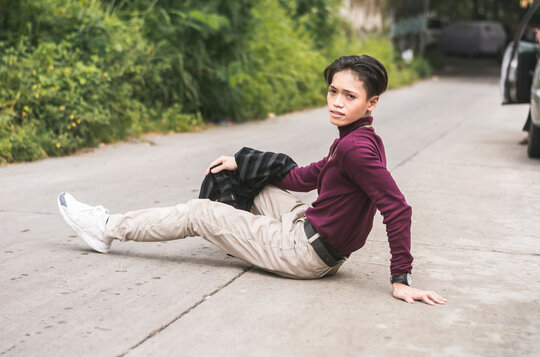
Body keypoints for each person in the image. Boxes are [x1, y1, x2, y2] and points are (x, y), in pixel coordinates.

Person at [58, 55, 446, 306]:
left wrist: (401, 278)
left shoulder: (355, 149)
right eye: (332, 91)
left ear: (371, 103)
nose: (337, 102)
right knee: (252, 177)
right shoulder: (357, 139)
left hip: (305, 253)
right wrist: (241, 164)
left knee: (199, 212)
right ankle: (238, 228)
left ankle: (106, 228)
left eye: (349, 95)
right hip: (308, 230)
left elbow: (397, 208)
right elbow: (306, 175)